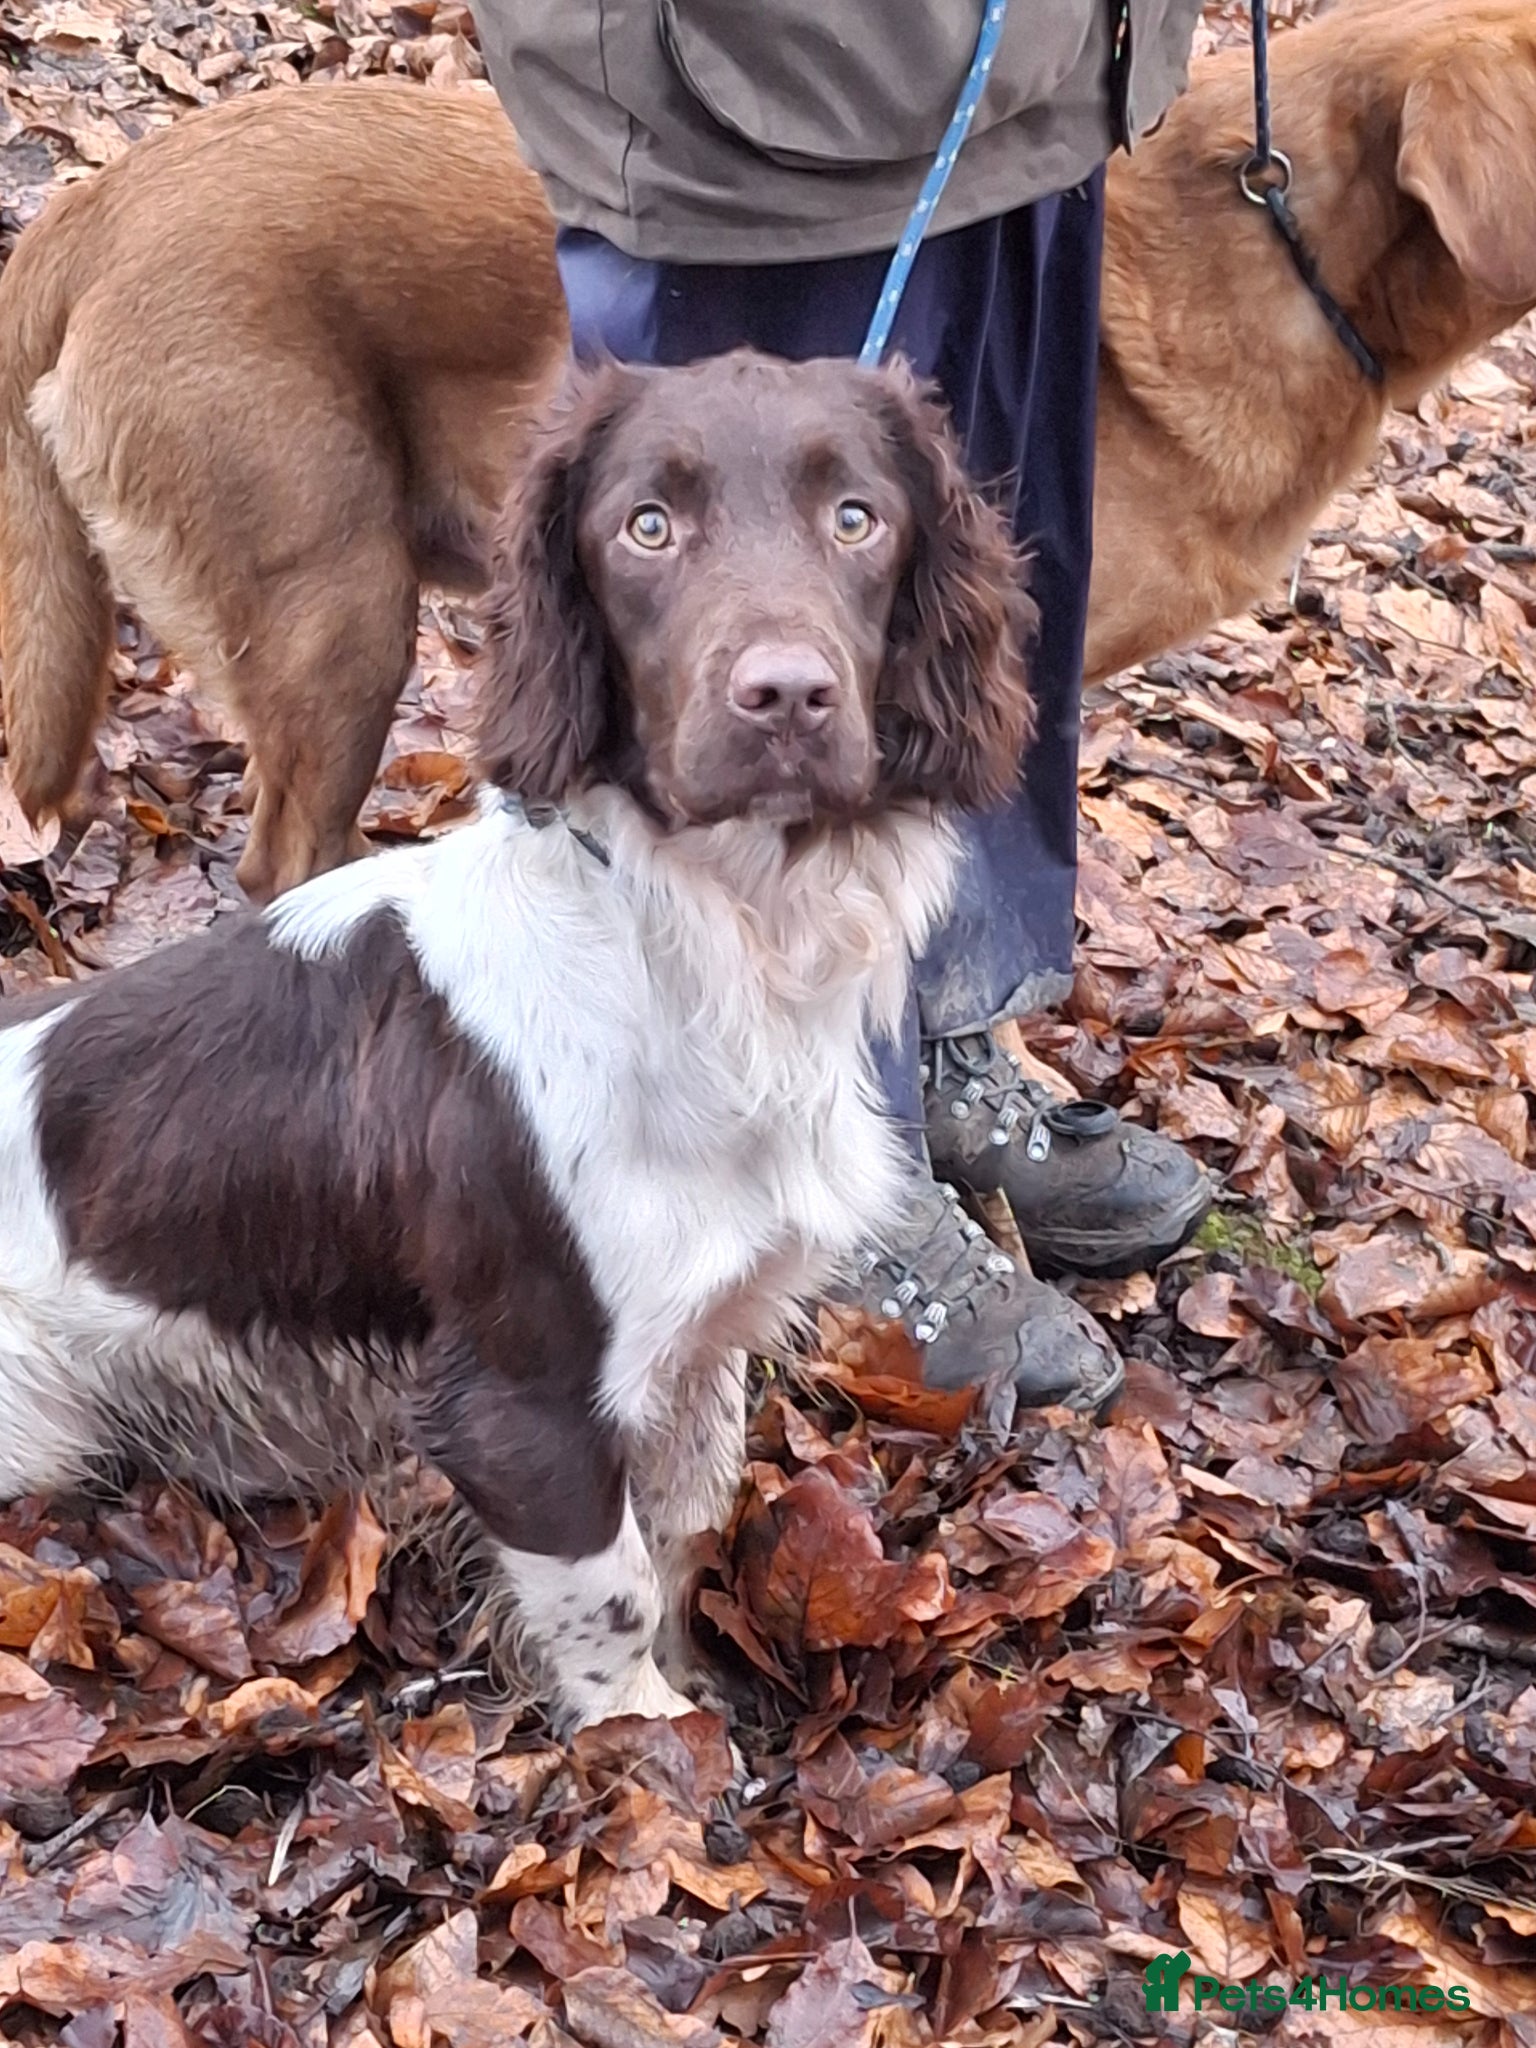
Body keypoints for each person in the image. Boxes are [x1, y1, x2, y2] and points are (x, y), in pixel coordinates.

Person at [468, 0, 1211, 1411]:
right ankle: (781, 1152)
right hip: (760, 79)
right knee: (732, 587)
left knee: (932, 592)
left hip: (1030, 68)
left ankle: (930, 1031)